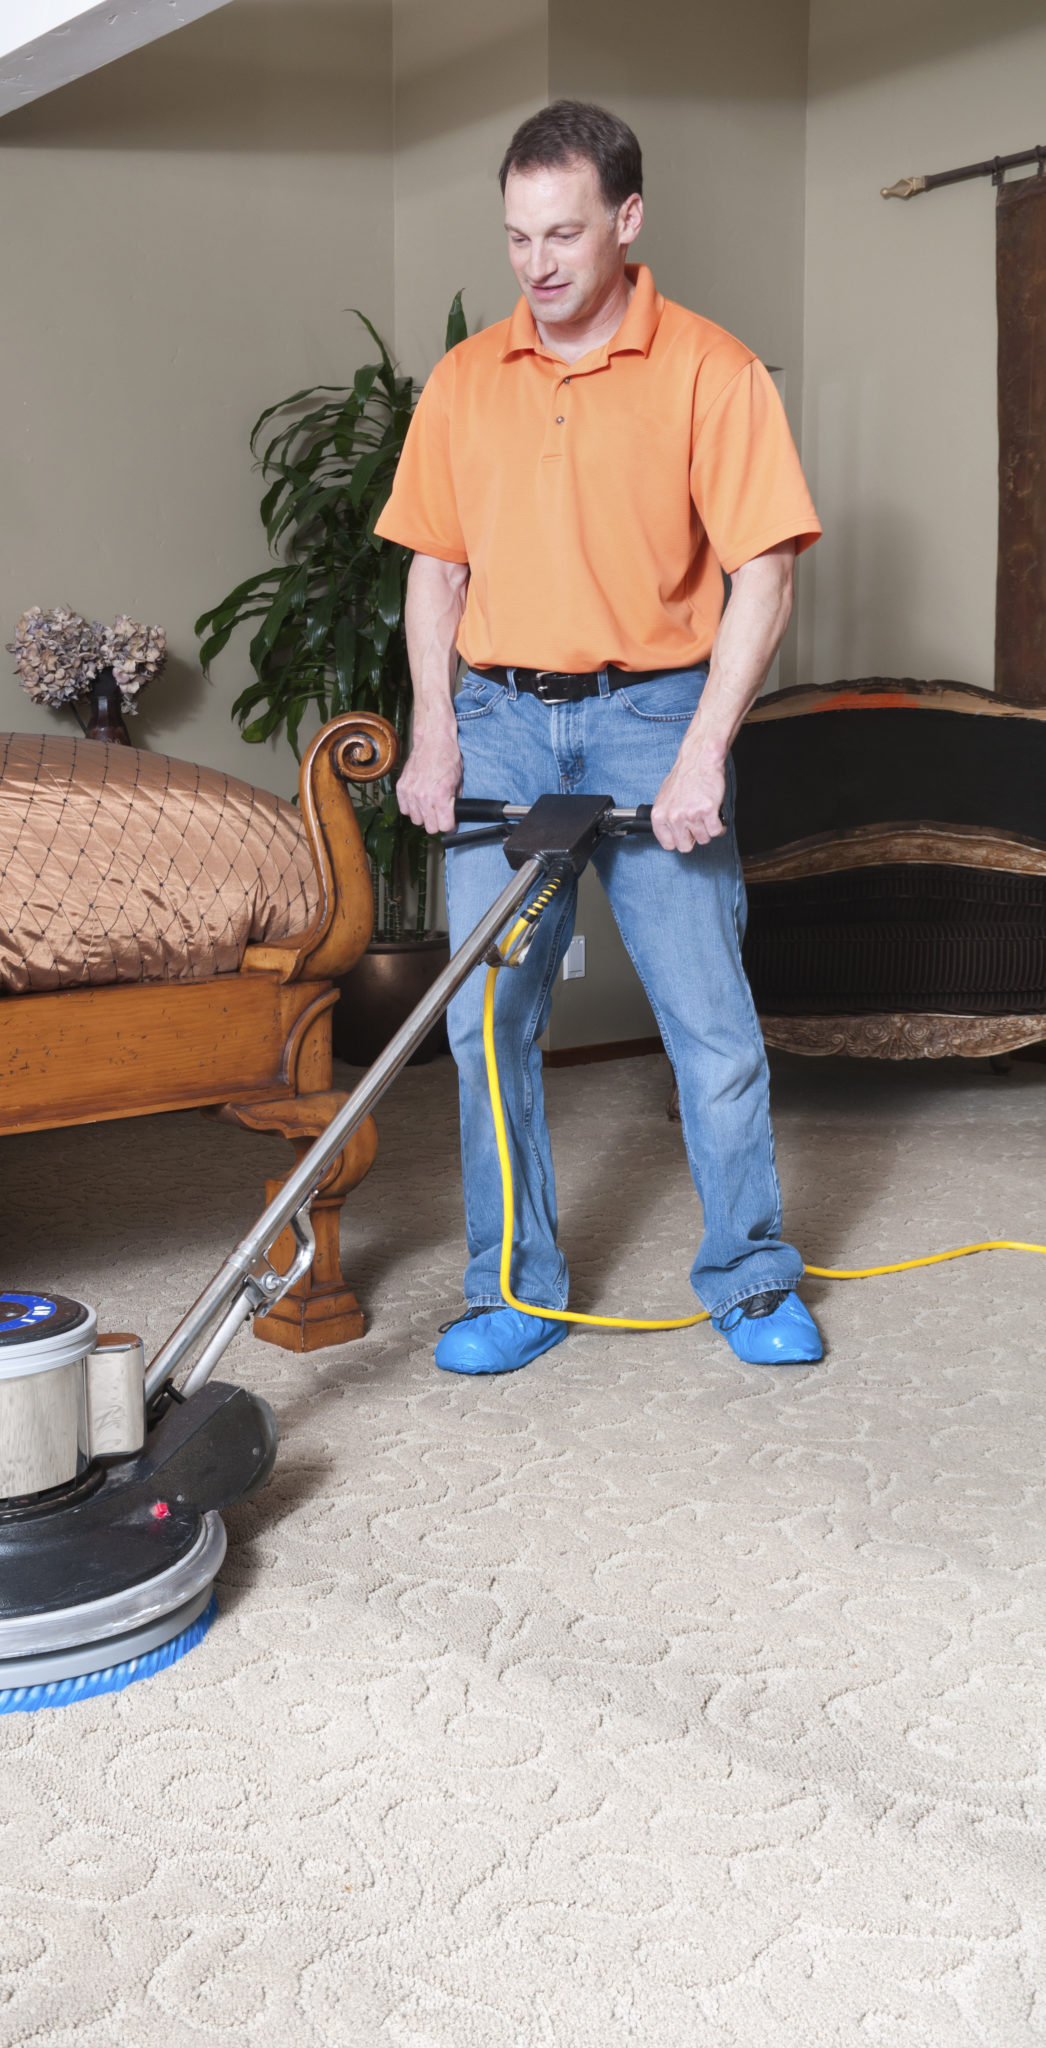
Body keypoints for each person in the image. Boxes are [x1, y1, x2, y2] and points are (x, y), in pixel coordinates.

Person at [374, 99, 824, 1375]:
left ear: (627, 219)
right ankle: (517, 1287)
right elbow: (435, 574)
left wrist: (701, 754)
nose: (538, 263)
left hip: (652, 716)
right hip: (502, 722)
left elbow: (765, 574)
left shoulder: (710, 371)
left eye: (564, 233)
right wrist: (436, 734)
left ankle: (745, 1273)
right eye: (517, 237)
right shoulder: (467, 380)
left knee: (711, 1022)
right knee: (485, 1019)